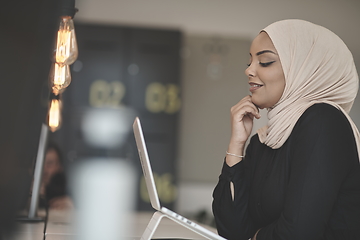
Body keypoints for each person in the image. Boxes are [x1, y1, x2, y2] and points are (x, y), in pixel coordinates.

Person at [212, 19, 360, 240]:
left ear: (304, 69)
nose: (249, 71)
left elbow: (299, 232)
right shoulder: (264, 141)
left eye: (265, 61)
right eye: (249, 62)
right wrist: (236, 143)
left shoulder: (324, 121)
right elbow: (231, 230)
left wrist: (254, 237)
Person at [40, 141, 73, 210]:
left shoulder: (70, 190)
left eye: (49, 163)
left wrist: (72, 209)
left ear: (60, 167)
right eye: (40, 163)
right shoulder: (24, 193)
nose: (44, 169)